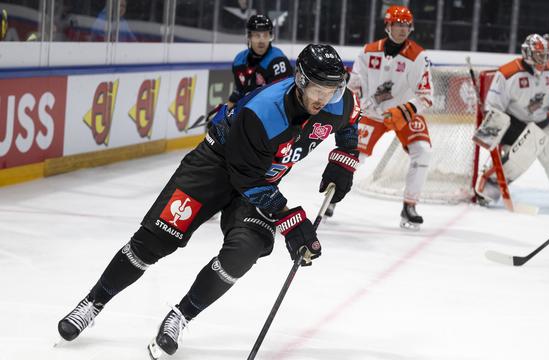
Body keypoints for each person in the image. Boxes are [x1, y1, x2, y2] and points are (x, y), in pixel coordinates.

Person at [56, 44, 360, 359]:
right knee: (155, 239)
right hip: (214, 167)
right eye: (317, 89)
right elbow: (247, 180)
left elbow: (352, 117)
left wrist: (344, 157)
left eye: (331, 90)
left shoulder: (338, 102)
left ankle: (181, 315)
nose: (323, 98)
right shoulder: (264, 111)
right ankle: (94, 301)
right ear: (299, 80)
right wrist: (291, 220)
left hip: (260, 179)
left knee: (244, 250)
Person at [329, 5, 434, 229]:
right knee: (353, 155)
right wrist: (359, 103)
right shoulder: (368, 52)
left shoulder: (418, 56)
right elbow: (354, 84)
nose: (403, 29)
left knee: (423, 151)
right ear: (387, 26)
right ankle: (332, 199)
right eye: (398, 24)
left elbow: (426, 96)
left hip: (404, 114)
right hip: (373, 114)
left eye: (406, 25)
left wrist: (404, 110)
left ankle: (410, 206)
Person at [475, 34, 549, 209]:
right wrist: (492, 131)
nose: (544, 60)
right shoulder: (508, 73)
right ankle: (488, 189)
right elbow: (493, 106)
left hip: (541, 121)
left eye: (546, 54)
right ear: (527, 54)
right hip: (515, 124)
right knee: (517, 159)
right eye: (539, 55)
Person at [226, 14, 293, 110]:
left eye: (265, 35)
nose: (262, 41)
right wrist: (223, 112)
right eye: (257, 35)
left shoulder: (278, 62)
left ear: (271, 37)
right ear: (249, 36)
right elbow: (240, 92)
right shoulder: (239, 61)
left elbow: (281, 101)